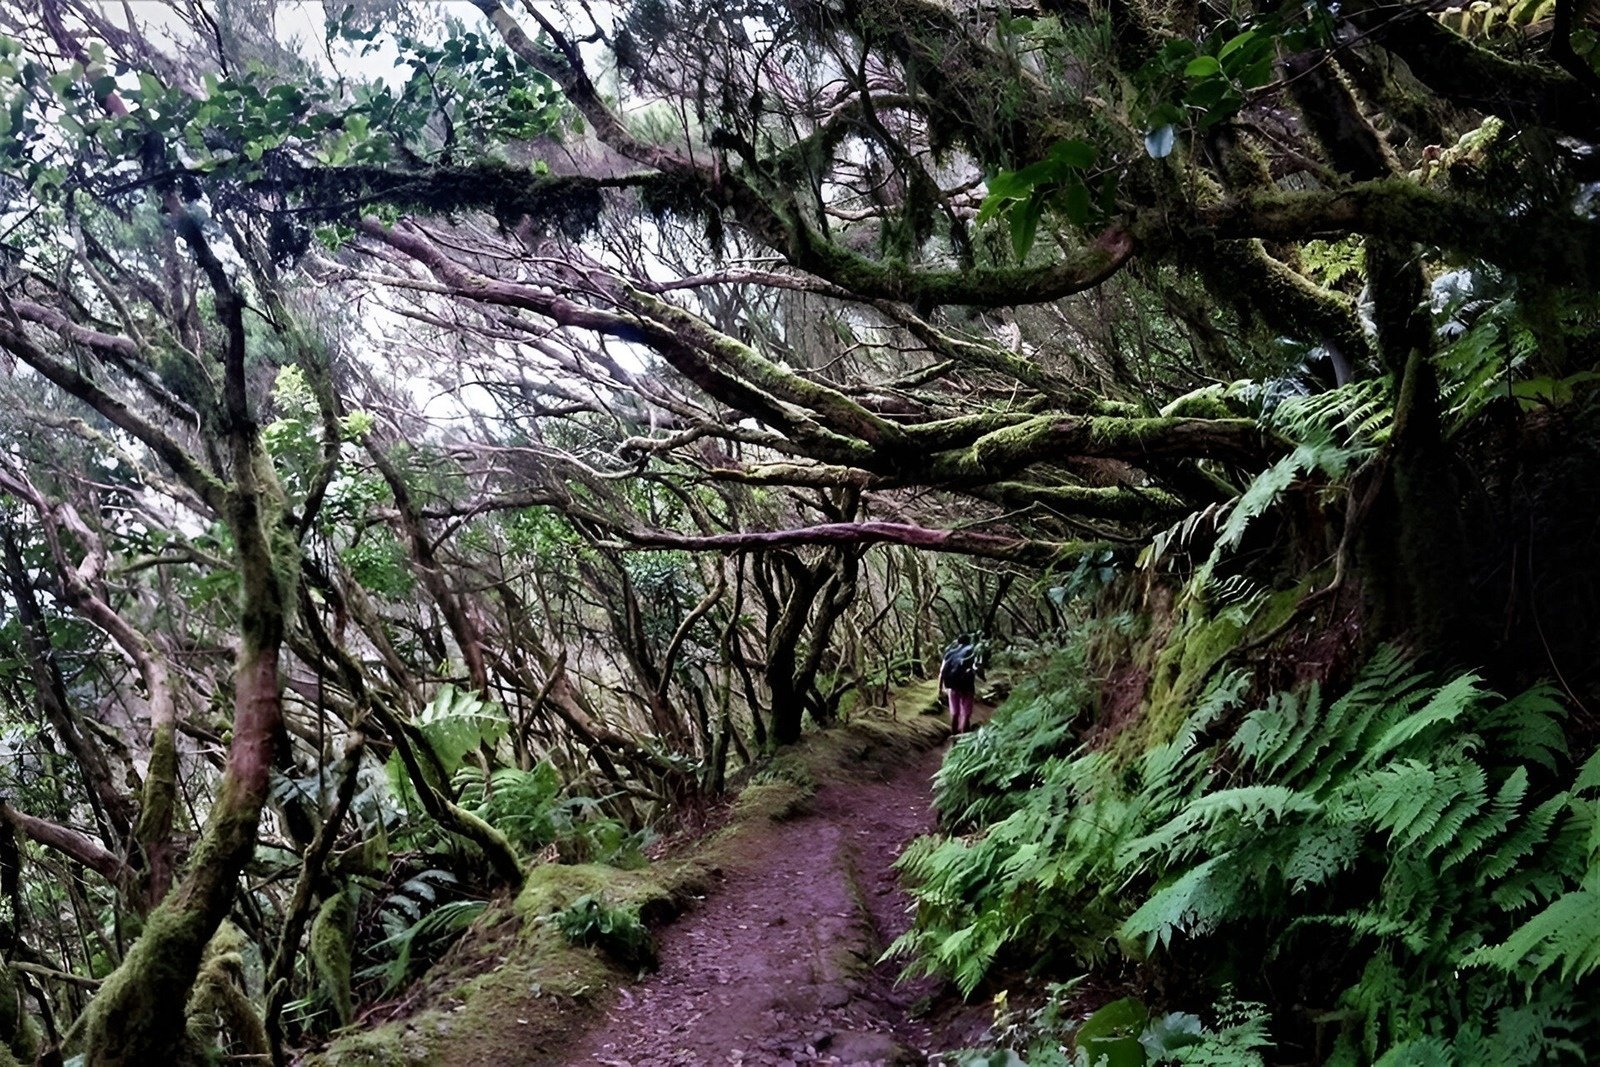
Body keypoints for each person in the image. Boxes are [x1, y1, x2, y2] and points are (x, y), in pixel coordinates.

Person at [939, 634, 980, 735]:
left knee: (955, 713)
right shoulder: (972, 651)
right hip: (967, 686)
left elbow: (942, 672)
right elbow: (977, 668)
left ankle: (954, 738)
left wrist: (939, 688)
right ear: (969, 642)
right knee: (966, 714)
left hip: (952, 686)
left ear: (958, 642)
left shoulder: (949, 653)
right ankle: (965, 740)